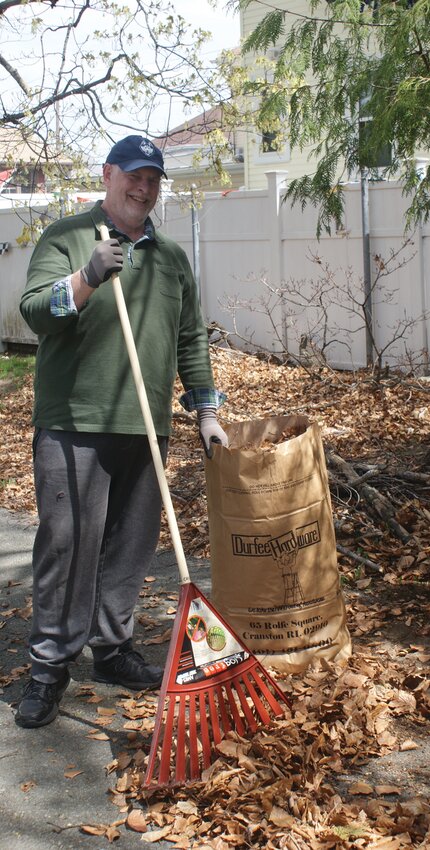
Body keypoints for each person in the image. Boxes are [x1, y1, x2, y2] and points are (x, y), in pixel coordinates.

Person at [16, 135, 228, 728]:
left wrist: (205, 413)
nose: (143, 187)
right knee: (69, 544)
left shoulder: (171, 260)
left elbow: (191, 339)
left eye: (153, 179)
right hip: (74, 422)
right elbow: (35, 313)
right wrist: (86, 276)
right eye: (133, 175)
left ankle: (111, 648)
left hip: (147, 423)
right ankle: (48, 667)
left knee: (131, 547)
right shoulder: (66, 238)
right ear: (108, 175)